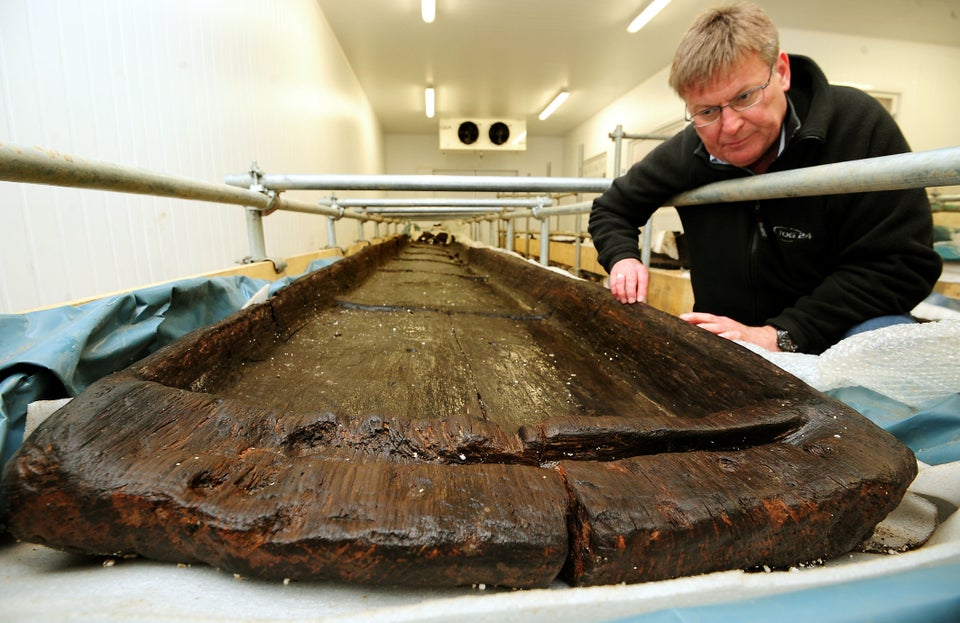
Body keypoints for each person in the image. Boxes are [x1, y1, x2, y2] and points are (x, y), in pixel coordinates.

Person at [587, 2, 942, 355]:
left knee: (887, 346)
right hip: (731, 337)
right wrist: (623, 258)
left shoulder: (858, 127)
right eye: (707, 111)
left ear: (782, 72)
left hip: (839, 331)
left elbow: (901, 265)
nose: (730, 126)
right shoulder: (690, 150)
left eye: (744, 97)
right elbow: (612, 209)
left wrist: (782, 334)